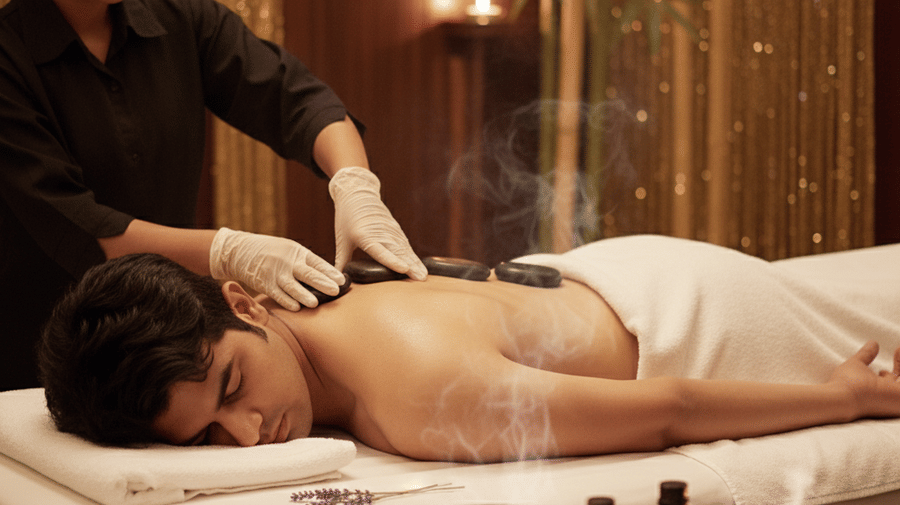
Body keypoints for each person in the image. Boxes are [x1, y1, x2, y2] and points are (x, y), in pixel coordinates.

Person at [38, 235, 900, 463]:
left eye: (232, 384)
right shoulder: (324, 302)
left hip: (692, 322)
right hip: (611, 272)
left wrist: (844, 399)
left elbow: (666, 412)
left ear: (243, 303)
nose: (250, 425)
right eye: (208, 436)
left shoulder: (414, 396)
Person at [0, 0, 427, 391]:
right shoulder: (9, 53)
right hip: (38, 352)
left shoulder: (178, 16)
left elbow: (295, 99)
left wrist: (355, 184)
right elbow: (72, 222)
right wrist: (228, 251)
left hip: (174, 341)